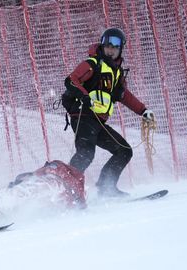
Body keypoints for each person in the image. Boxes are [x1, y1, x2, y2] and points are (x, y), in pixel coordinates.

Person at [62, 28, 155, 198]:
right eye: (108, 44)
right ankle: (66, 191)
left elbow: (124, 95)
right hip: (83, 117)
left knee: (124, 151)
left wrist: (143, 111)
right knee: (86, 153)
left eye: (115, 45)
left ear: (121, 49)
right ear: (103, 44)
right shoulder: (92, 64)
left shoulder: (117, 73)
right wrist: (84, 96)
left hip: (98, 123)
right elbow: (70, 80)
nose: (111, 48)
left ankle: (106, 187)